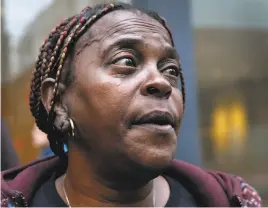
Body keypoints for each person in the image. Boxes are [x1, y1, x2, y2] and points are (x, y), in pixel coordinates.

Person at [1, 3, 262, 207]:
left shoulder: (234, 200)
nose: (162, 83)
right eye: (126, 62)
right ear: (57, 102)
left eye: (170, 69)